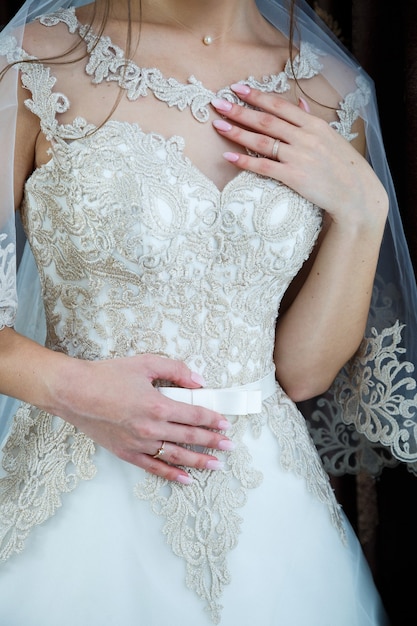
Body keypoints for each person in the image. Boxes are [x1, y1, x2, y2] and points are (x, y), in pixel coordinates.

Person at [1, 0, 416, 623]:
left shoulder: (333, 92)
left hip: (268, 517)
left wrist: (363, 211)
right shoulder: (36, 61)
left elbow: (300, 373)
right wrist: (77, 389)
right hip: (74, 493)